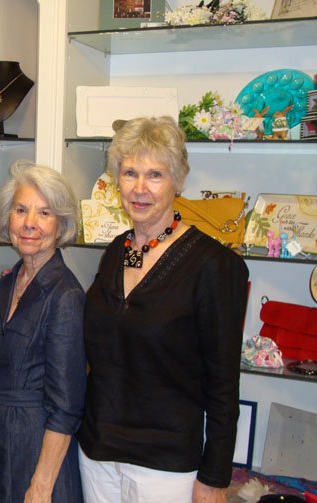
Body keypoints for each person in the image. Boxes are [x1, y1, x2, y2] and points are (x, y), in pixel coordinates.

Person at [77, 116, 249, 503]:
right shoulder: (114, 252)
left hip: (167, 469)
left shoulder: (215, 267)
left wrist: (215, 477)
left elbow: (224, 386)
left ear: (177, 180)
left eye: (155, 175)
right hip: (97, 454)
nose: (140, 189)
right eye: (129, 173)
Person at [0, 160, 87, 503]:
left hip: (36, 456)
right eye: (21, 210)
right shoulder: (6, 286)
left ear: (61, 225)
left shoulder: (66, 296)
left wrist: (42, 485)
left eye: (44, 213)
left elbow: (66, 406)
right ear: (7, 219)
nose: (30, 223)